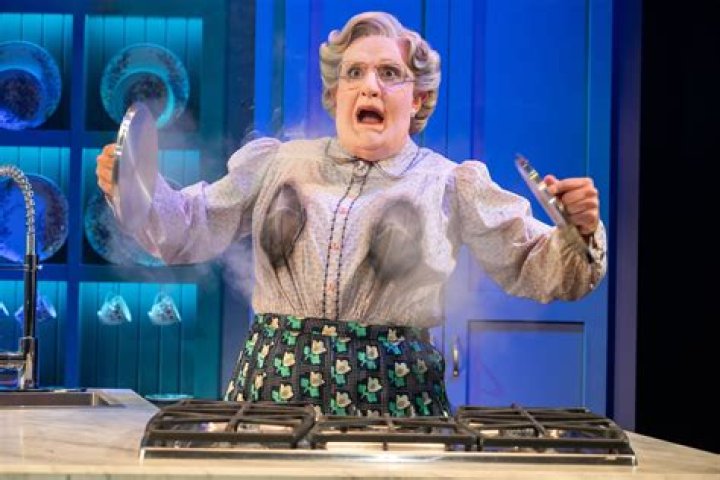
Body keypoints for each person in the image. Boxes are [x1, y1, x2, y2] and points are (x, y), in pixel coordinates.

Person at [96, 11, 605, 417]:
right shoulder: (278, 163)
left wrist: (577, 230)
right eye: (354, 73)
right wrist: (135, 184)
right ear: (334, 93)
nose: (369, 87)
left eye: (390, 74)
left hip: (398, 408)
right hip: (272, 403)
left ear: (418, 98)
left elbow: (539, 266)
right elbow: (189, 227)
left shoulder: (451, 183)